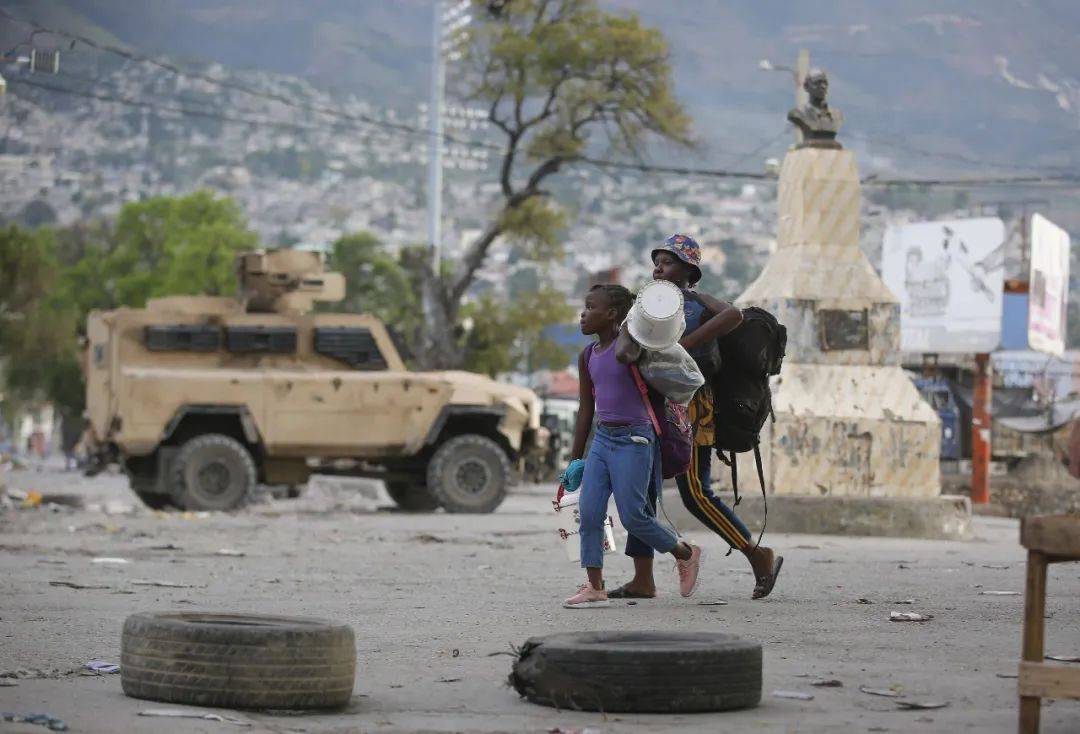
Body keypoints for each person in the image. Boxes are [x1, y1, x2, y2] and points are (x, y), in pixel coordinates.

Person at [608, 234, 783, 600]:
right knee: (642, 493)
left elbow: (733, 315)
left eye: (668, 262)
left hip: (690, 405)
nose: (658, 268)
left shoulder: (697, 302)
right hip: (651, 402)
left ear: (690, 271)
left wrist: (684, 346)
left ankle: (757, 555)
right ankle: (643, 578)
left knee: (695, 494)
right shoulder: (647, 302)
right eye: (656, 261)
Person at [560, 283, 703, 609]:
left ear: (611, 314)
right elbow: (586, 409)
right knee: (590, 512)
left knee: (634, 516)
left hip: (635, 438)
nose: (582, 314)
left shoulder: (633, 346)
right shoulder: (587, 356)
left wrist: (629, 324)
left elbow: (624, 353)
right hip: (603, 439)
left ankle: (685, 553)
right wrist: (574, 459)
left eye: (590, 307)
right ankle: (595, 586)